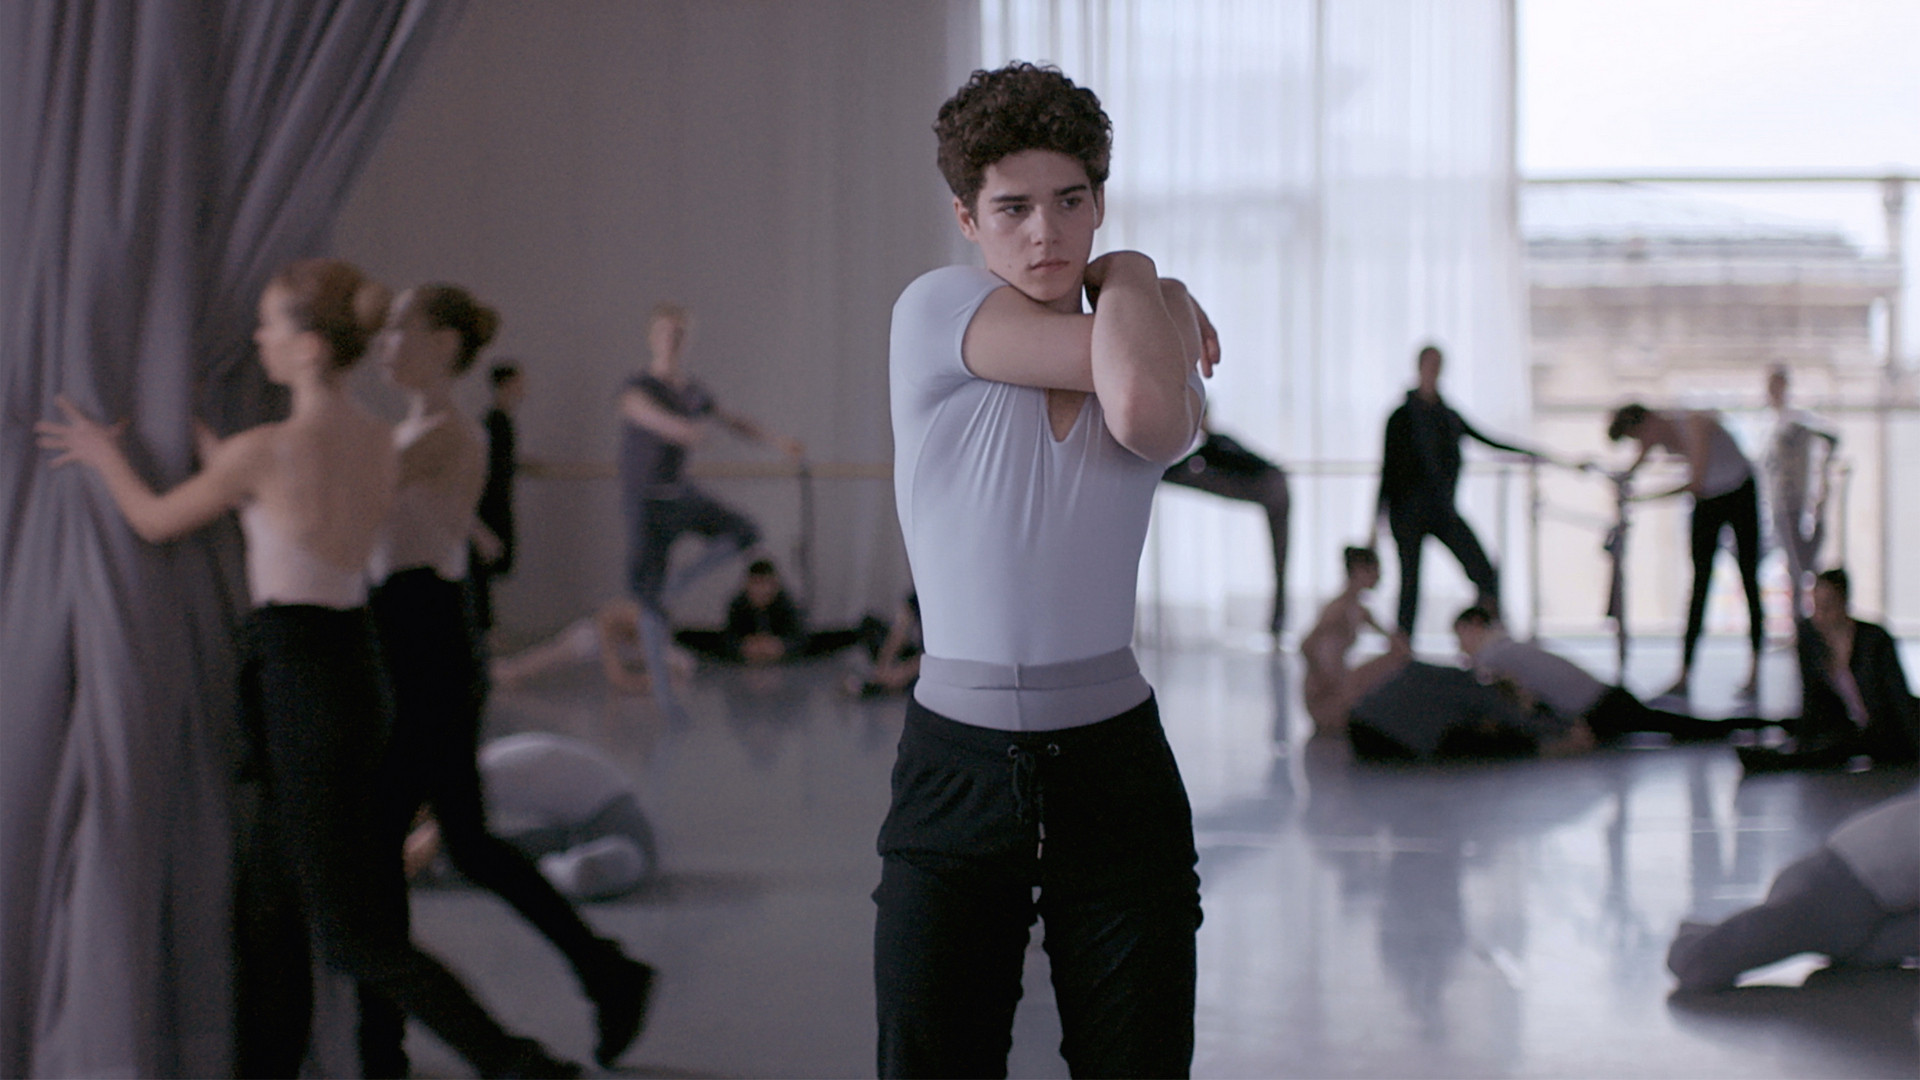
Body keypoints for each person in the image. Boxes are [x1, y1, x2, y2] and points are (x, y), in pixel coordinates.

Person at [35, 259, 579, 1079]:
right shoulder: (374, 441)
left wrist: (99, 453)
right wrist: (211, 443)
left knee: (351, 936)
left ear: (310, 347)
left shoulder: (267, 452)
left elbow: (155, 519)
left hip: (297, 677)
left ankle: (521, 1065)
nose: (259, 338)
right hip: (351, 669)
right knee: (269, 912)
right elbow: (279, 499)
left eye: (270, 325)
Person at [877, 62, 1214, 1078]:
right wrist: (1150, 287)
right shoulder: (935, 310)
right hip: (959, 773)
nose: (1045, 233)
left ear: (1100, 201)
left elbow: (1145, 414)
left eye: (1071, 202)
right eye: (1012, 208)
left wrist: (1136, 272)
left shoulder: (1140, 326)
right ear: (967, 219)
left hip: (1117, 770)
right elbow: (1135, 378)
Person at [364, 284, 654, 1074]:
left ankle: (389, 1045)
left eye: (399, 328)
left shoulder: (444, 433)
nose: (383, 342)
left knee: (396, 849)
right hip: (410, 636)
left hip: (425, 643)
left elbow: (343, 497)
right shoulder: (417, 431)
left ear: (444, 344)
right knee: (463, 843)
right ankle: (605, 972)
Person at [618, 301, 804, 721]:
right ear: (652, 337)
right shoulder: (639, 386)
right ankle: (664, 698)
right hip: (645, 503)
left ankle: (680, 581)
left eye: (679, 334)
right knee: (648, 604)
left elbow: (733, 421)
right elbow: (638, 411)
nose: (672, 341)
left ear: (686, 340)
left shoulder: (692, 390)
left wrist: (778, 441)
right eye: (665, 333)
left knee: (746, 531)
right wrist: (681, 429)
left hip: (680, 497)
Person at [1667, 794, 1918, 993]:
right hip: (1837, 883)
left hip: (1865, 896)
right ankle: (1692, 942)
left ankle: (1703, 937)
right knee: (1706, 962)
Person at [1375, 344, 1538, 637]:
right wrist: (1375, 524)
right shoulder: (1401, 418)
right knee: (1410, 585)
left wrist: (1534, 454)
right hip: (1408, 513)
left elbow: (1488, 440)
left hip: (1441, 510)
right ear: (1420, 367)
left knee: (1484, 572)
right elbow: (1388, 472)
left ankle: (1485, 637)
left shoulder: (1447, 416)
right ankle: (1402, 650)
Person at [1607, 402, 1765, 699]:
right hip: (1709, 498)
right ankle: (1684, 674)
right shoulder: (1655, 434)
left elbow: (1696, 482)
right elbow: (1637, 464)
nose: (1642, 444)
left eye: (1639, 436)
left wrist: (1643, 499)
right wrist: (1620, 480)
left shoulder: (1692, 422)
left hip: (1738, 492)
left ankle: (1755, 672)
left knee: (1748, 578)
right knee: (1699, 584)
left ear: (1648, 421)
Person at [406, 733, 659, 902]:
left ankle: (532, 873)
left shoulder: (480, 774)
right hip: (586, 826)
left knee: (585, 873)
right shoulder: (486, 763)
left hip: (618, 834)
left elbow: (423, 847)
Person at [1451, 606, 1730, 748]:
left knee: (1675, 725)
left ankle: (1739, 727)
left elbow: (1471, 681)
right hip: (1605, 700)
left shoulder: (1494, 654)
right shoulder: (1509, 646)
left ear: (1475, 625)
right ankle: (1735, 726)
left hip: (1602, 708)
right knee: (1668, 722)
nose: (1460, 645)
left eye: (1460, 634)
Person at [1738, 569, 1918, 771]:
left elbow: (1899, 698)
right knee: (1798, 730)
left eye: (1828, 606)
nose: (1820, 614)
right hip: (1845, 726)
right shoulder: (1811, 638)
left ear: (1844, 603)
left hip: (1883, 729)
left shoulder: (1874, 639)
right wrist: (1804, 739)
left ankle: (1777, 760)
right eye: (1816, 606)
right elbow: (1812, 697)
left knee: (1838, 748)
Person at [1161, 425, 1291, 633]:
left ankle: (1279, 619)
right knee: (1280, 557)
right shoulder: (1213, 447)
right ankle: (1278, 619)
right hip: (1268, 484)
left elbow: (1188, 466)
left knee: (1281, 556)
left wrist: (1161, 475)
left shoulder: (1216, 444)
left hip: (1270, 484)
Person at [1299, 546, 1410, 735]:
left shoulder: (1359, 609)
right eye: (1374, 570)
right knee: (1395, 659)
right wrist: (1325, 679)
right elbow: (1306, 645)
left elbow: (1398, 643)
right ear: (1358, 570)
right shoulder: (1337, 609)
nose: (1379, 577)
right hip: (1325, 698)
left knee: (1398, 657)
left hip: (1340, 690)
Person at [673, 558, 868, 664]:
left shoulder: (786, 603)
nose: (760, 591)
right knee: (697, 637)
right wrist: (743, 646)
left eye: (765, 584)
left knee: (820, 641)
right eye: (755, 584)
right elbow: (730, 636)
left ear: (775, 584)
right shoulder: (738, 604)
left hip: (782, 646)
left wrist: (780, 646)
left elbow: (798, 636)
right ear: (747, 585)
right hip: (748, 648)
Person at [491, 596, 692, 695]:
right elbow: (617, 677)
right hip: (591, 639)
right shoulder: (626, 618)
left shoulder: (658, 634)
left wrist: (651, 681)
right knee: (550, 656)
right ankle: (507, 670)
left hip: (627, 647)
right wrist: (644, 682)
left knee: (682, 664)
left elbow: (677, 669)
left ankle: (509, 670)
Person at [1762, 365, 1839, 619]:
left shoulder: (1794, 423)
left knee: (1801, 567)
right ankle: (1804, 622)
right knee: (1797, 566)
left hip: (1794, 503)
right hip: (1782, 503)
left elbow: (1830, 437)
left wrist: (1823, 471)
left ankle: (1808, 621)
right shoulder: (1777, 423)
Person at [470, 361, 526, 631]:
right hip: (489, 506)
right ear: (506, 384)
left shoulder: (502, 421)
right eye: (519, 382)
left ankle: (487, 626)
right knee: (483, 567)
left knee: (490, 566)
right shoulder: (493, 422)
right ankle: (485, 627)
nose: (524, 388)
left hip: (498, 503)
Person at [846, 592, 924, 697]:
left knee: (926, 674)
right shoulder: (918, 594)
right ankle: (886, 679)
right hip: (918, 656)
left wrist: (904, 672)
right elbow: (900, 631)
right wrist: (884, 664)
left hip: (934, 664)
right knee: (870, 627)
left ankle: (884, 684)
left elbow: (939, 656)